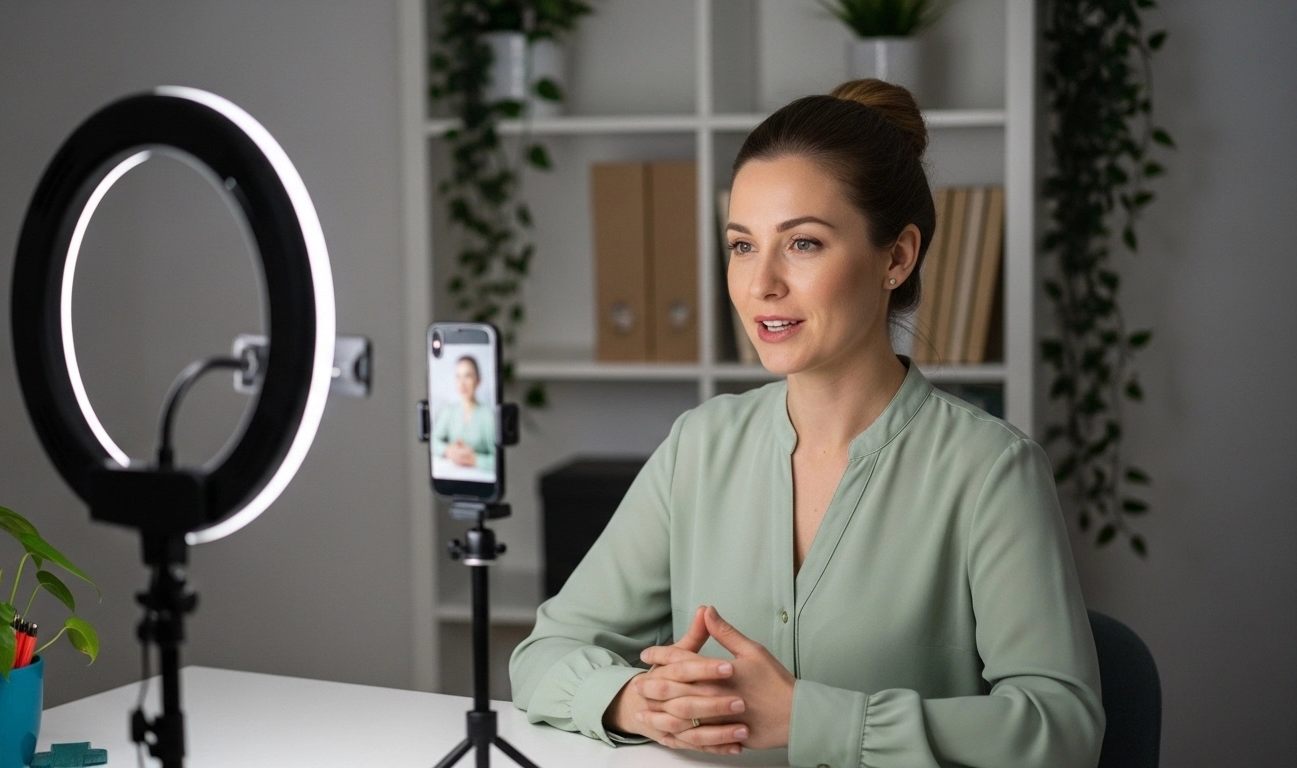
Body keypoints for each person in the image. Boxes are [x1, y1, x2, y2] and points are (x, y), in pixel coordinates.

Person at [509, 80, 1104, 768]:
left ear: (897, 257)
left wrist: (810, 717)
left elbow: (1064, 732)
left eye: (804, 244)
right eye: (741, 246)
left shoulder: (991, 471)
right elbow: (543, 653)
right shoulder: (699, 448)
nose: (760, 284)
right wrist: (634, 699)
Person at [431, 355, 496, 474]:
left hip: (479, 477)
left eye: (468, 376)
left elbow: (499, 457)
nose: (462, 383)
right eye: (458, 377)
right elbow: (433, 440)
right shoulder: (449, 411)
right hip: (452, 475)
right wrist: (448, 450)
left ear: (478, 380)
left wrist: (475, 459)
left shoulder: (487, 415)